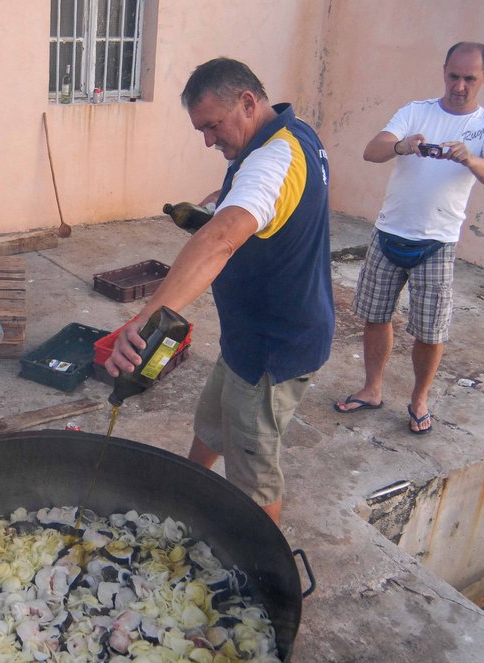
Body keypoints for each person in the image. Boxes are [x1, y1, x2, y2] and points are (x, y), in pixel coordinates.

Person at [106, 58, 334, 524]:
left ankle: (263, 579)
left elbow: (219, 240)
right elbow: (263, 199)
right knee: (213, 422)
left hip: (275, 347)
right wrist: (228, 198)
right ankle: (184, 500)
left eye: (213, 126)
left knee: (253, 477)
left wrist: (147, 316)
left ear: (247, 102)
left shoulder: (274, 158)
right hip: (246, 336)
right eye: (201, 131)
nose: (210, 141)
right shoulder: (289, 134)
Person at [334, 42, 484, 434]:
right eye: (453, 75)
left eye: (469, 78)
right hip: (389, 233)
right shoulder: (416, 112)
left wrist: (470, 159)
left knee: (430, 332)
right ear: (443, 70)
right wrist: (402, 144)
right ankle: (372, 389)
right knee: (375, 316)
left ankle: (418, 400)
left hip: (438, 243)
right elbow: (371, 150)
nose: (459, 86)